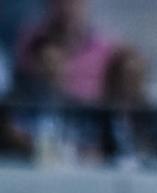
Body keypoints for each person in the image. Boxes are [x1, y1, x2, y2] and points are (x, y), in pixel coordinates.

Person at [2, 29, 93, 162]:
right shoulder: (13, 102)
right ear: (33, 65)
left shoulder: (76, 106)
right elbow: (13, 135)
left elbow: (88, 145)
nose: (52, 69)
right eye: (46, 62)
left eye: (57, 62)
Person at [10, 0, 118, 102]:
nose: (67, 7)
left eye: (73, 2)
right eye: (61, 1)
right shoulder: (30, 41)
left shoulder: (106, 51)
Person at [94, 46, 157, 165]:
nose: (134, 83)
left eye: (139, 77)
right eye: (128, 76)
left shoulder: (155, 116)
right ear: (116, 78)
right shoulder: (99, 113)